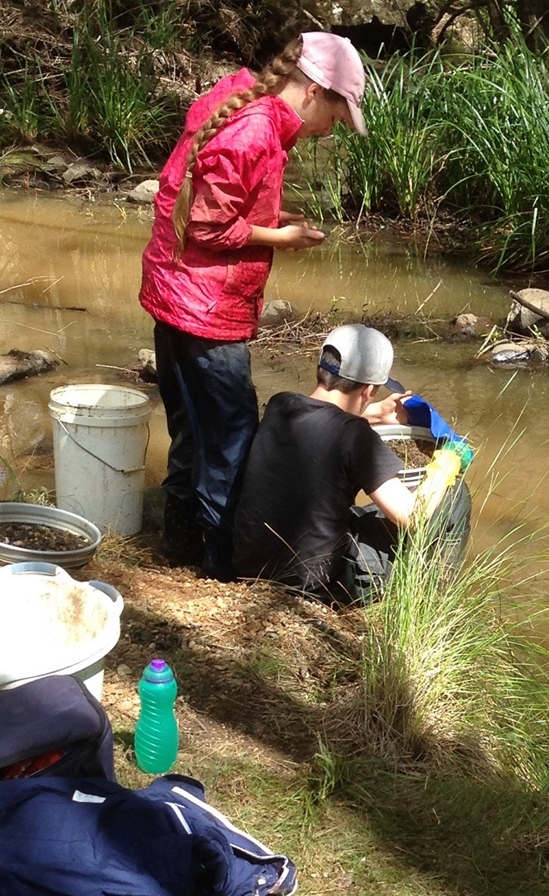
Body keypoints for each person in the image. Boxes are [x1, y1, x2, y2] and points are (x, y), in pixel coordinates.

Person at [139, 32, 368, 580]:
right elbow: (209, 225)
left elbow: (218, 192)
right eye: (336, 116)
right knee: (232, 438)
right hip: (205, 308)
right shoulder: (257, 129)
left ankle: (178, 542)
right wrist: (280, 238)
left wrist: (274, 213)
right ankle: (223, 564)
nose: (331, 130)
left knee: (191, 428)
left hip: (175, 293)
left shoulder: (241, 100)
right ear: (314, 90)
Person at [232, 324, 472, 604]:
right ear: (368, 390)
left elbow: (325, 417)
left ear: (321, 369)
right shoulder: (356, 436)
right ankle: (434, 596)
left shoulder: (280, 406)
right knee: (456, 496)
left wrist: (376, 414)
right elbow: (412, 517)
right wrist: (446, 462)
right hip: (315, 583)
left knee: (361, 511)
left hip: (251, 565)